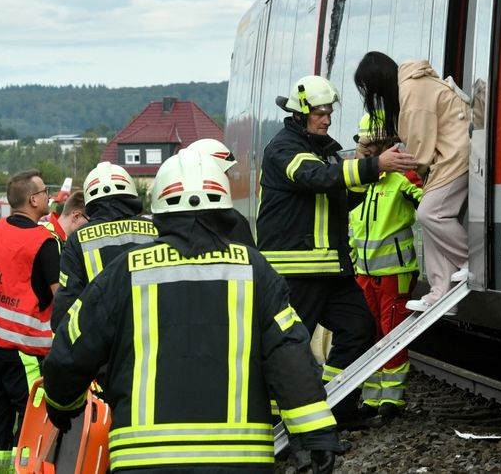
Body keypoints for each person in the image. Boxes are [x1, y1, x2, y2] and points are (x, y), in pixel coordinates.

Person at [43, 150, 343, 473]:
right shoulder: (255, 269)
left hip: (144, 461)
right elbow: (290, 354)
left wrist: (63, 404)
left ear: (159, 210)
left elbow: (70, 346)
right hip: (239, 462)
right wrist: (317, 434)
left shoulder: (124, 273)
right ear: (226, 209)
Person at [256, 74, 416, 430]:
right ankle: (276, 425)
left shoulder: (324, 149)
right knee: (290, 348)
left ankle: (335, 407)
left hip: (329, 269)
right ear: (300, 114)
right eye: (320, 113)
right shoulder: (284, 149)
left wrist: (369, 168)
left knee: (358, 328)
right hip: (296, 269)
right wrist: (372, 165)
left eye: (330, 112)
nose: (327, 119)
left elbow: (342, 197)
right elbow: (314, 178)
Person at [353, 51, 474, 311]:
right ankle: (440, 292)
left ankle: (472, 263)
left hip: (456, 155)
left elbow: (419, 143)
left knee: (432, 214)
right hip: (448, 155)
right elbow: (409, 131)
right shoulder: (409, 87)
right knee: (430, 219)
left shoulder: (411, 90)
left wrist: (408, 164)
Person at [0, 170, 61, 468]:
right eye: (45, 192)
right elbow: (61, 296)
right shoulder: (43, 241)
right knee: (36, 415)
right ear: (32, 199)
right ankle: (32, 468)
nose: (49, 197)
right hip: (22, 346)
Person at [349, 112, 423, 421]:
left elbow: (429, 206)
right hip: (364, 272)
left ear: (385, 144)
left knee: (392, 335)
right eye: (362, 146)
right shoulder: (359, 178)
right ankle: (370, 397)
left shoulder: (404, 176)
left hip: (395, 271)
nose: (364, 151)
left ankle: (392, 400)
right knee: (368, 334)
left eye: (369, 146)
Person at [50, 162, 157, 332]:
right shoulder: (155, 230)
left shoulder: (78, 239)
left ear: (90, 202)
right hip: (149, 331)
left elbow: (66, 304)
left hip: (100, 340)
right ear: (130, 194)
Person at [184, 137, 255, 245]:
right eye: (225, 172)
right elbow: (251, 259)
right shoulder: (232, 221)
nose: (229, 177)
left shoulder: (171, 219)